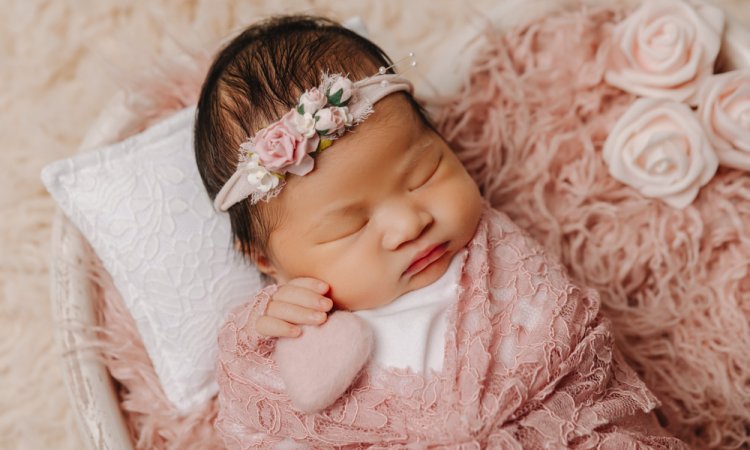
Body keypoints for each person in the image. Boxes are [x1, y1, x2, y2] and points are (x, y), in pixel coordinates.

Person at [194, 14, 686, 448]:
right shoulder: (286, 332)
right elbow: (257, 421)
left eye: (424, 174)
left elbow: (568, 333)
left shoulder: (494, 258)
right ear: (266, 261)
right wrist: (267, 334)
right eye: (351, 224)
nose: (410, 224)